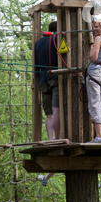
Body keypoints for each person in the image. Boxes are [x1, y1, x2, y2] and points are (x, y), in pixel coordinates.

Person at [35, 21, 60, 186]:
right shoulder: (57, 39)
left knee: (48, 113)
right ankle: (58, 138)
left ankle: (50, 138)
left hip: (43, 78)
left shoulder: (38, 43)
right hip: (55, 76)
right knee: (56, 108)